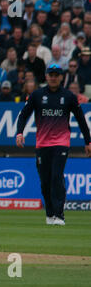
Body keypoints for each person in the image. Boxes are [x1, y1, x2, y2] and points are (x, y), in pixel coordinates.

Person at [16, 64, 91, 226]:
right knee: (45, 181)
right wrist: (20, 132)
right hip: (42, 144)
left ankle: (59, 215)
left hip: (61, 143)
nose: (54, 77)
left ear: (61, 77)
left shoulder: (69, 96)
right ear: (46, 76)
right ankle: (50, 214)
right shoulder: (37, 95)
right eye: (51, 74)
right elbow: (23, 115)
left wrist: (88, 141)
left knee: (57, 177)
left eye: (57, 75)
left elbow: (81, 119)